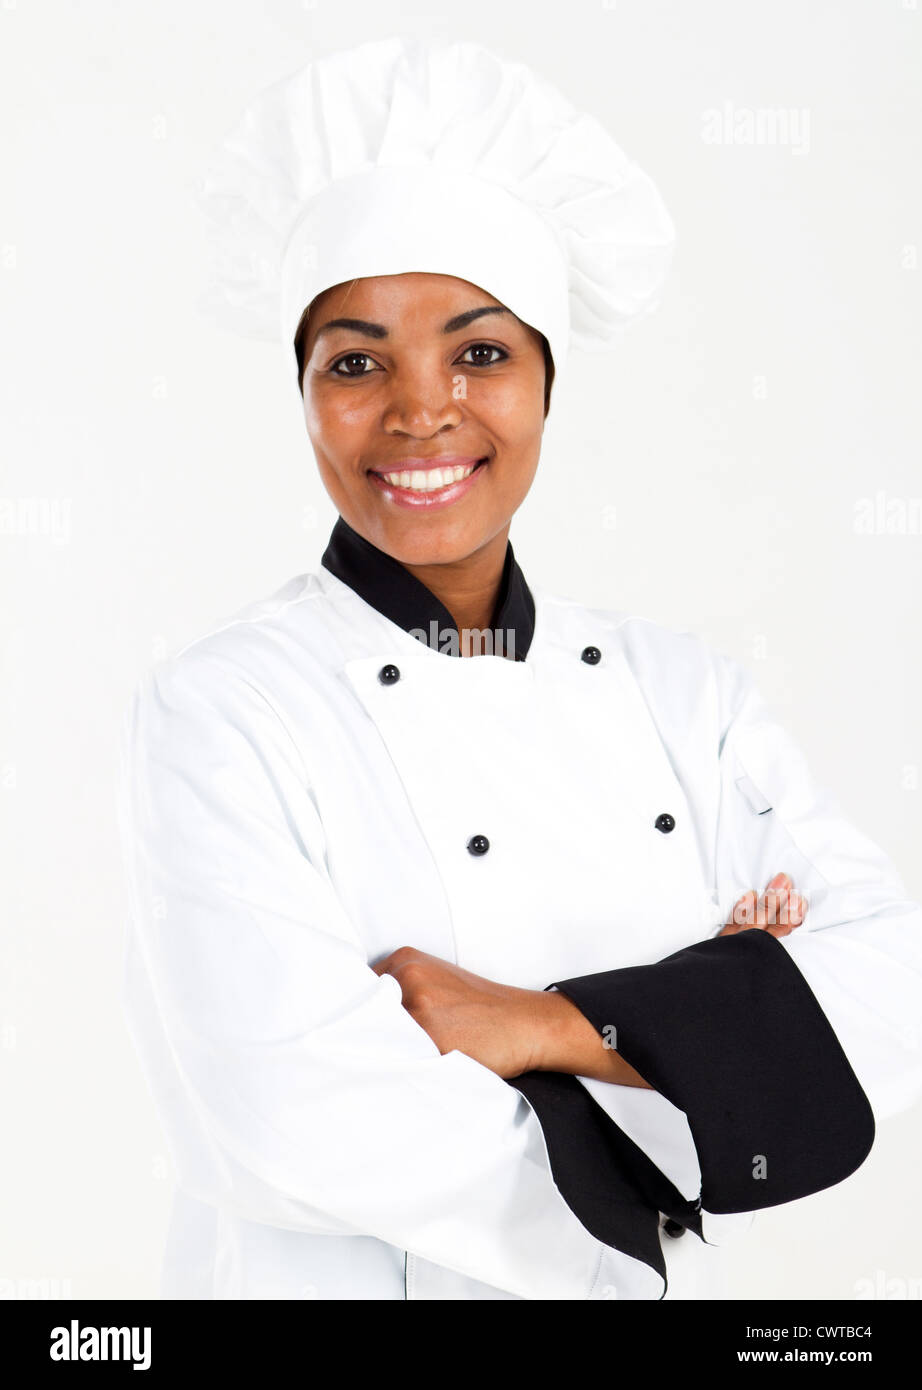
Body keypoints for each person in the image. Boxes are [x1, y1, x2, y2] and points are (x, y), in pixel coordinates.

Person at [117, 36, 922, 1301]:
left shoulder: (686, 694)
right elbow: (294, 1113)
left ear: (549, 379)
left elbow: (887, 990)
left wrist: (546, 1025)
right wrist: (704, 1038)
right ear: (303, 393)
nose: (421, 411)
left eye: (480, 353)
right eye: (355, 359)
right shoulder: (225, 706)